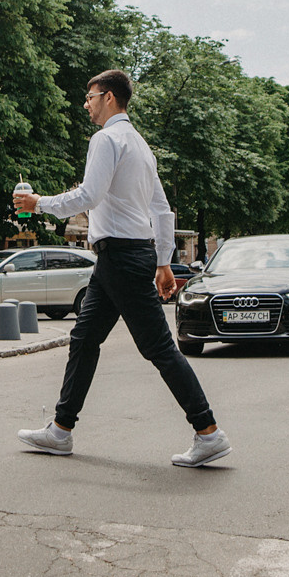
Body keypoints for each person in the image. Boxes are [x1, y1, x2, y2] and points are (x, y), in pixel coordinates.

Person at [13, 69, 231, 468]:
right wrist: (164, 262)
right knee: (84, 338)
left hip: (121, 257)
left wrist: (38, 203)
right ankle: (61, 430)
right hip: (122, 258)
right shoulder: (141, 146)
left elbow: (89, 195)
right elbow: (162, 210)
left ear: (109, 97)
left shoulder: (107, 139)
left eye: (90, 96)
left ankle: (209, 432)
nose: (86, 103)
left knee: (159, 348)